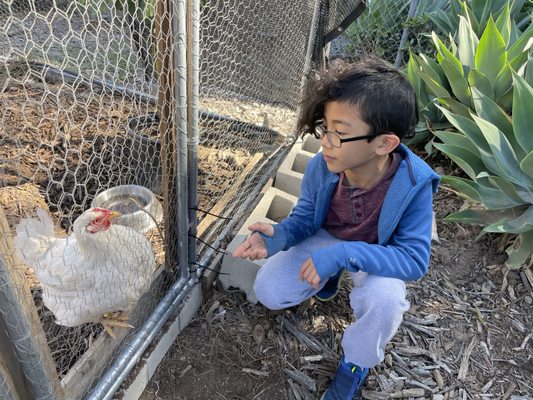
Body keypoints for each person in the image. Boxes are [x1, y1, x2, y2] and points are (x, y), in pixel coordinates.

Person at [232, 57, 440, 399]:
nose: (326, 141)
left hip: (378, 254)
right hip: (330, 238)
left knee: (385, 301)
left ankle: (356, 363)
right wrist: (279, 236)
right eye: (325, 129)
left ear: (384, 143)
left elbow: (414, 261)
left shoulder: (414, 186)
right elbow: (305, 217)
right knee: (270, 291)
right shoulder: (323, 166)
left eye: (340, 134)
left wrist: (344, 253)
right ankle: (328, 276)